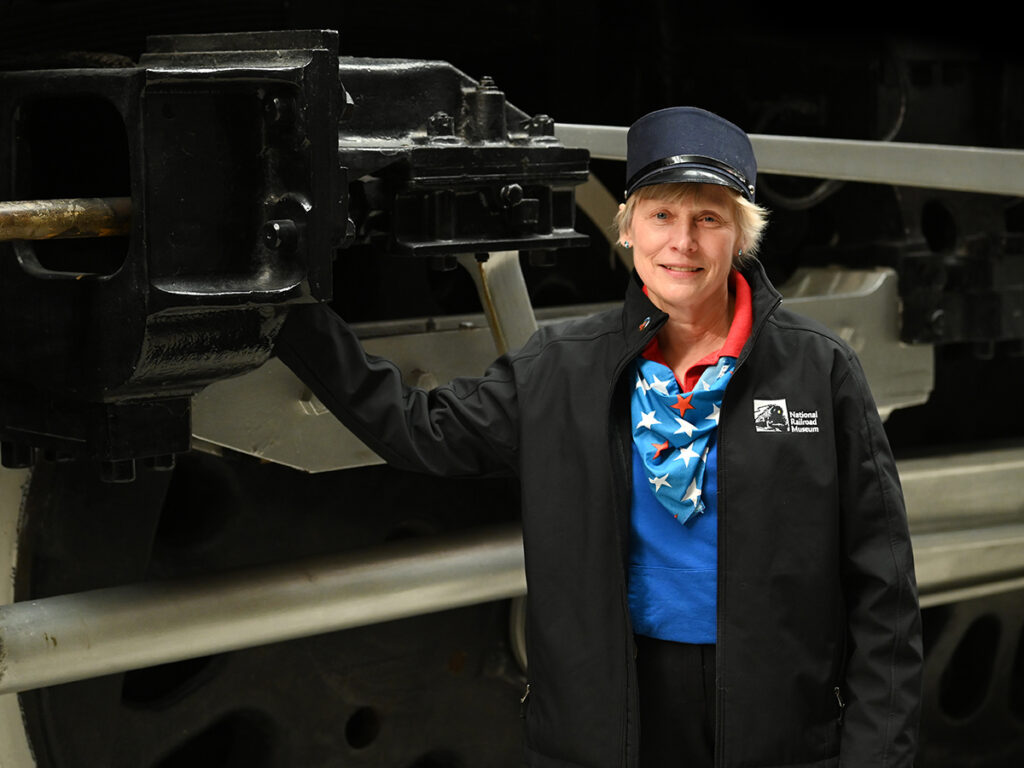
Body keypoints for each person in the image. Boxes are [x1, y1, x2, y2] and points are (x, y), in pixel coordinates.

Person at [275, 106, 923, 768]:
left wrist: (875, 756)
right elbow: (423, 430)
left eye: (709, 217)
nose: (683, 242)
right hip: (611, 730)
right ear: (628, 229)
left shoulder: (818, 367)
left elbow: (884, 583)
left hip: (777, 731)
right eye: (661, 216)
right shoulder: (563, 366)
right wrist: (290, 309)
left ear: (741, 234)